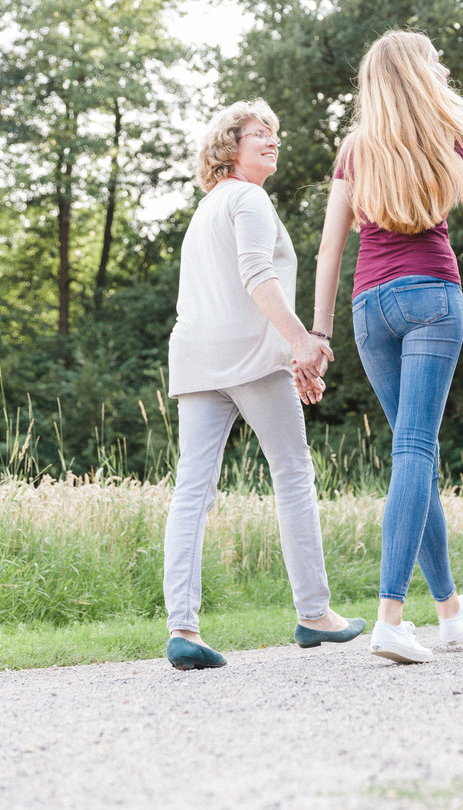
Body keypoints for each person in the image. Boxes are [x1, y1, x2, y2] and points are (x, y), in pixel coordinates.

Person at [312, 30, 463, 664]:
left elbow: (330, 249)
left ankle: (449, 611)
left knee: (416, 452)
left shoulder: (355, 150)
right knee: (415, 449)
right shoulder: (447, 138)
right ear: (418, 74)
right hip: (430, 297)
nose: (444, 65)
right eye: (435, 59)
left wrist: (319, 333)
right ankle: (391, 617)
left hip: (367, 310)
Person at [163, 99, 365, 670]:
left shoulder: (206, 209)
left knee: (192, 490)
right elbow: (257, 275)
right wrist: (302, 345)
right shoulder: (248, 198)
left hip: (197, 358)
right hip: (249, 360)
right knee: (293, 472)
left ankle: (183, 626)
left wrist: (291, 350)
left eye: (275, 133)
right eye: (258, 134)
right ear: (231, 146)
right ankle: (315, 613)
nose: (272, 142)